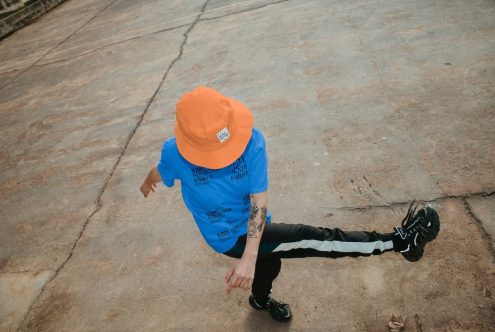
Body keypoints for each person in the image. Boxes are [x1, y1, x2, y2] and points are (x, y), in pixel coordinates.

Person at [140, 86, 440, 322]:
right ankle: (400, 243)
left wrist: (249, 258)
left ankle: (259, 299)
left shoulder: (251, 142)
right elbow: (161, 170)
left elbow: (259, 200)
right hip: (227, 237)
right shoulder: (175, 154)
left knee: (269, 262)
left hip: (255, 223)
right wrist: (148, 180)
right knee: (315, 239)